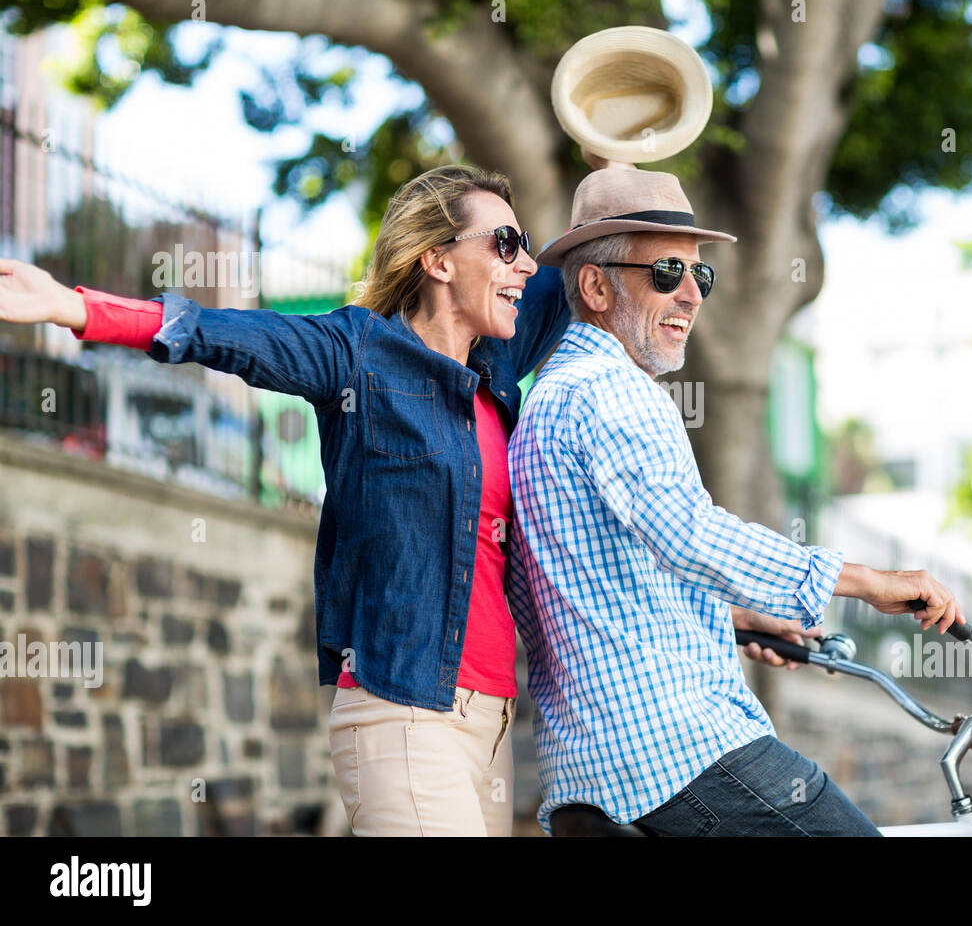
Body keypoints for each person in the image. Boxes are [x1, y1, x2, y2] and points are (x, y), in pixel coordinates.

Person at [0, 165, 566, 836]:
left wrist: (608, 151)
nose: (525, 263)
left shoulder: (493, 368)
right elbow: (228, 335)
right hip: (406, 716)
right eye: (505, 243)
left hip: (492, 719)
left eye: (525, 242)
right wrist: (79, 307)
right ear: (437, 259)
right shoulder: (358, 353)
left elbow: (583, 264)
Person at [507, 166, 967, 836]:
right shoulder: (611, 389)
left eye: (702, 275)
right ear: (596, 286)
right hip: (675, 751)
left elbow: (600, 592)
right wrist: (867, 581)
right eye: (667, 272)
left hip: (594, 771)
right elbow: (688, 535)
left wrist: (740, 616)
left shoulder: (556, 392)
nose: (692, 294)